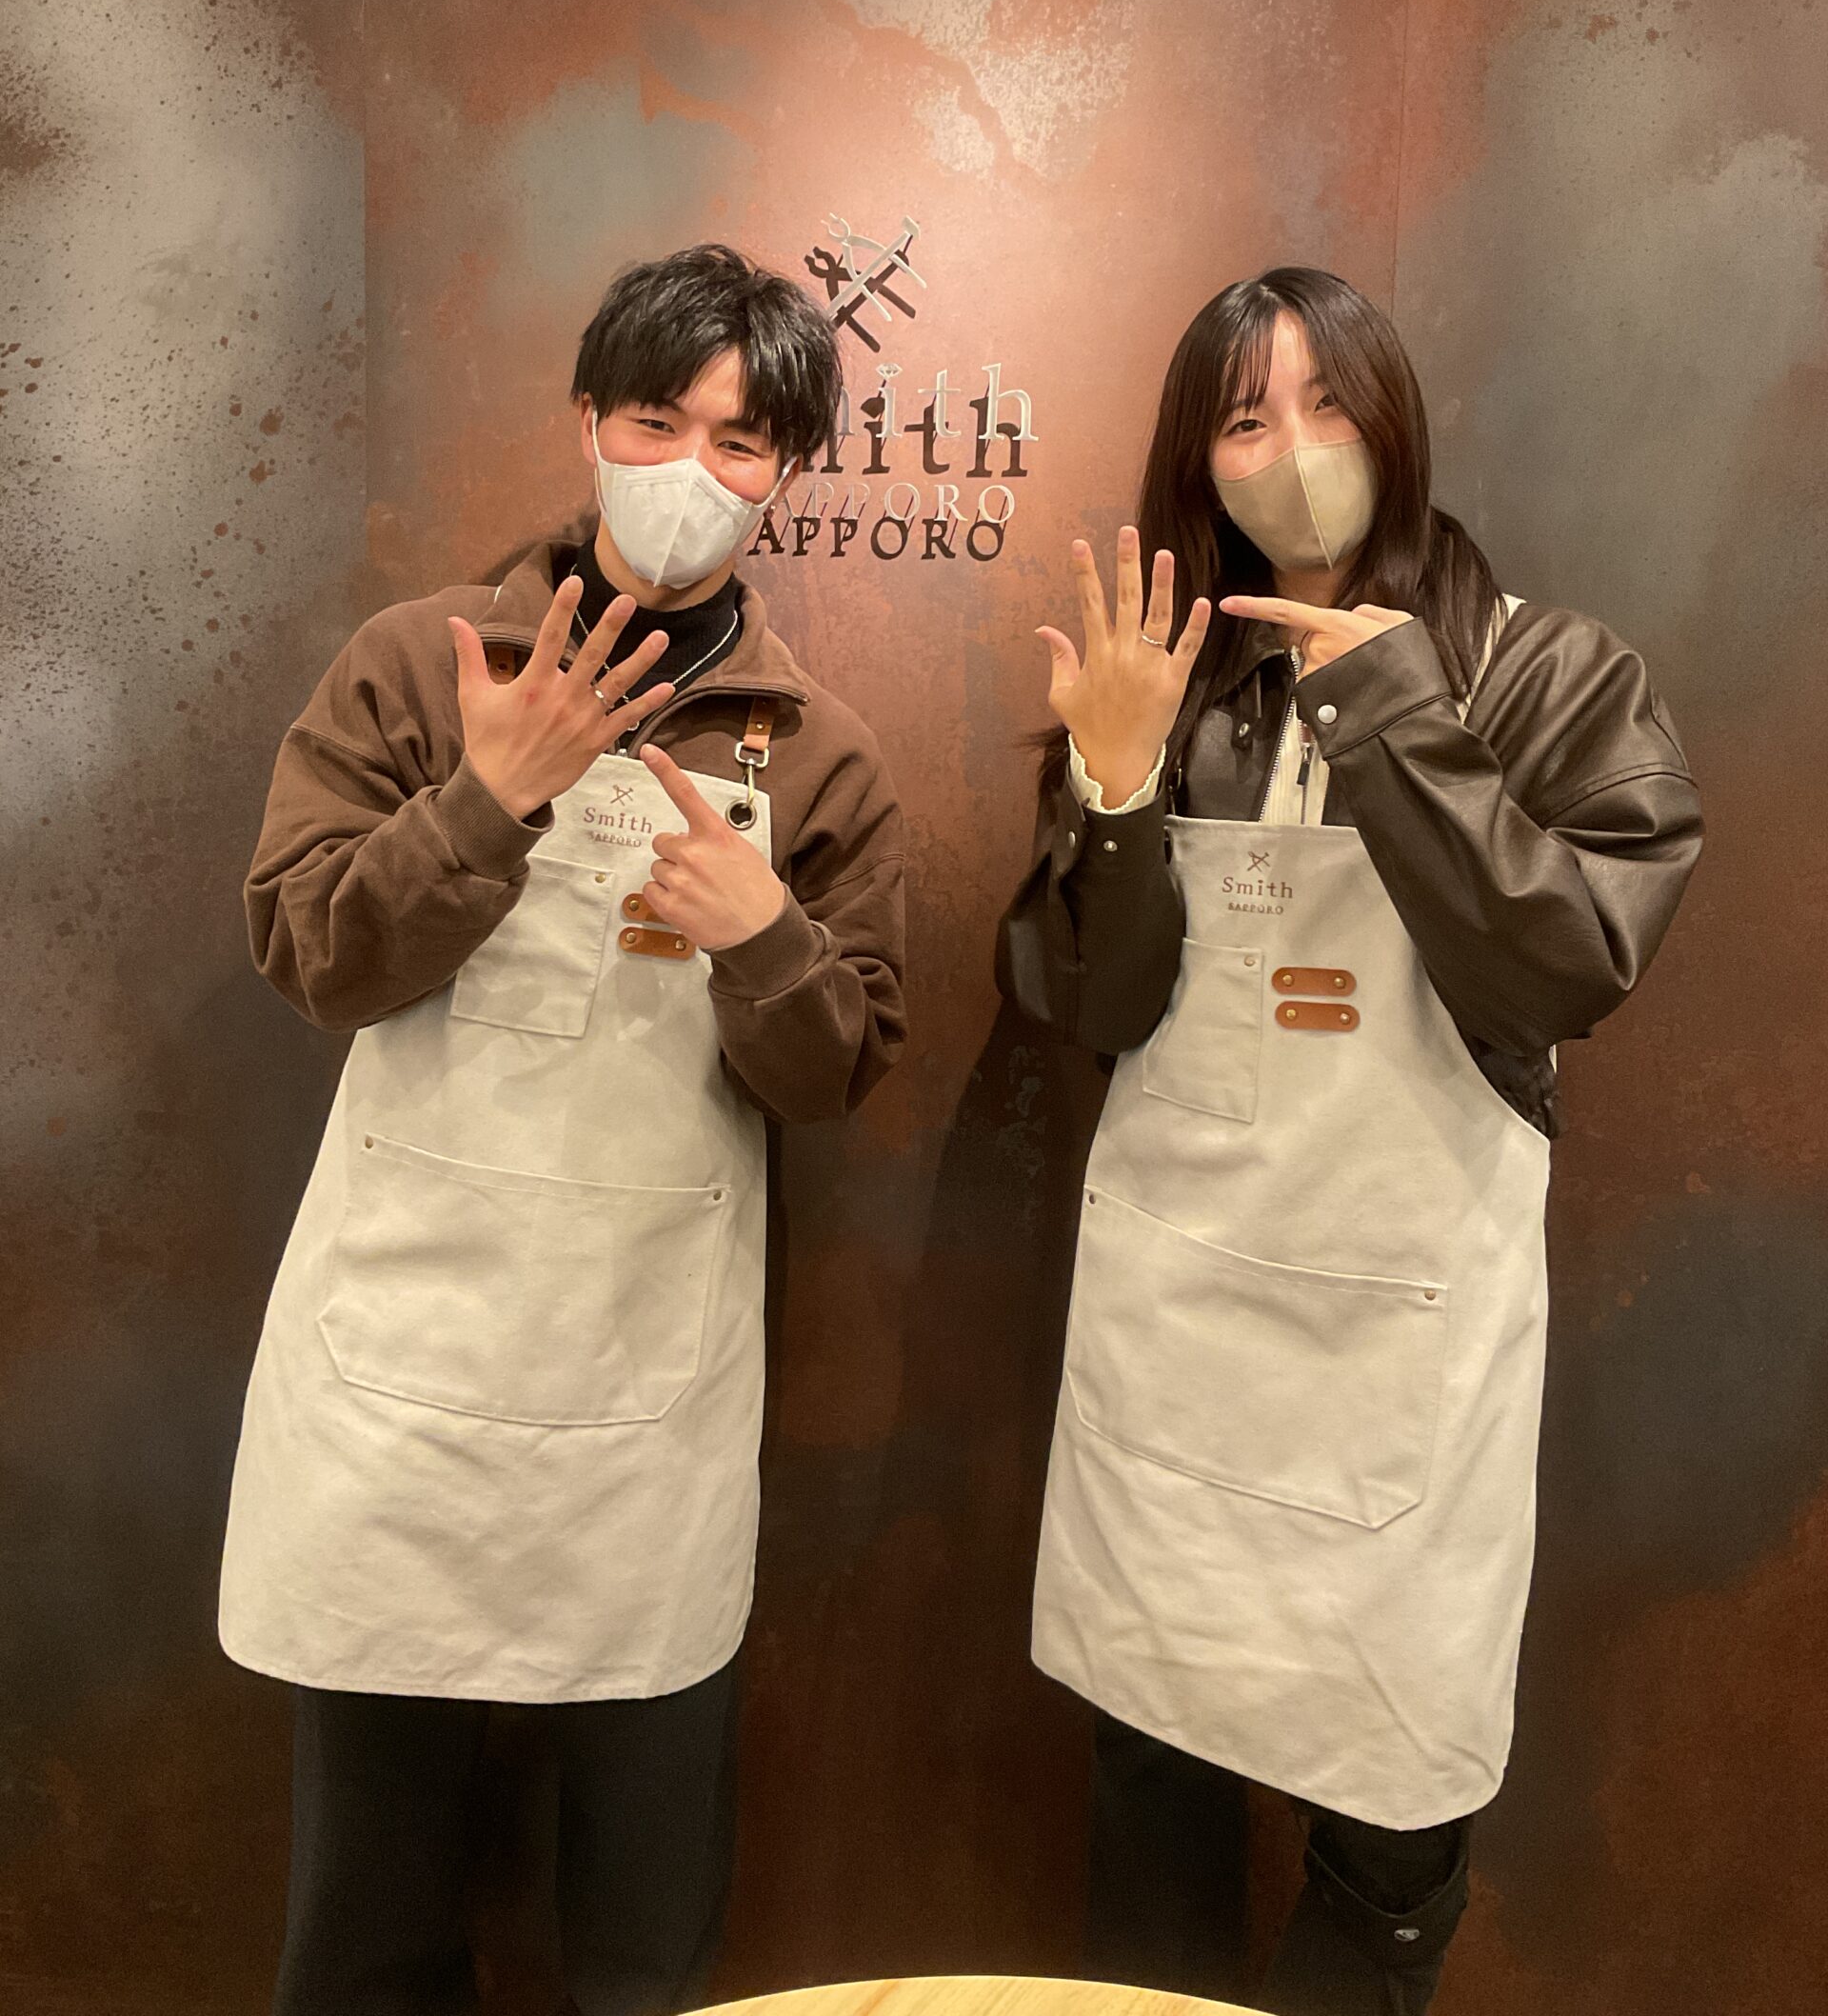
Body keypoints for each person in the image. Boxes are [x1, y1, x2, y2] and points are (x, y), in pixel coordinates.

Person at [997, 267, 1701, 2016]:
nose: (1294, 453)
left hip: (1401, 1368)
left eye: (1328, 405)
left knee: (1390, 1851)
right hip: (1179, 1355)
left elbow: (1561, 965)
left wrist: (1387, 710)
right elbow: (1099, 1008)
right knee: (1150, 1802)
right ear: (1199, 461)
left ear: (1395, 418)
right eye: (1245, 420)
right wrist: (1115, 786)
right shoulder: (1169, 679)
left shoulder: (1555, 676)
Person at [221, 243, 906, 2016]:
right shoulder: (420, 664)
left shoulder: (815, 751)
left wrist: (767, 940)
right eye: (659, 421)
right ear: (588, 418)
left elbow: (836, 1076)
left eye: (743, 443)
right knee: (366, 1934)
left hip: (644, 1413)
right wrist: (485, 800)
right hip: (402, 1389)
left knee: (642, 1942)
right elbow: (309, 955)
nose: (694, 471)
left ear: (787, 474)